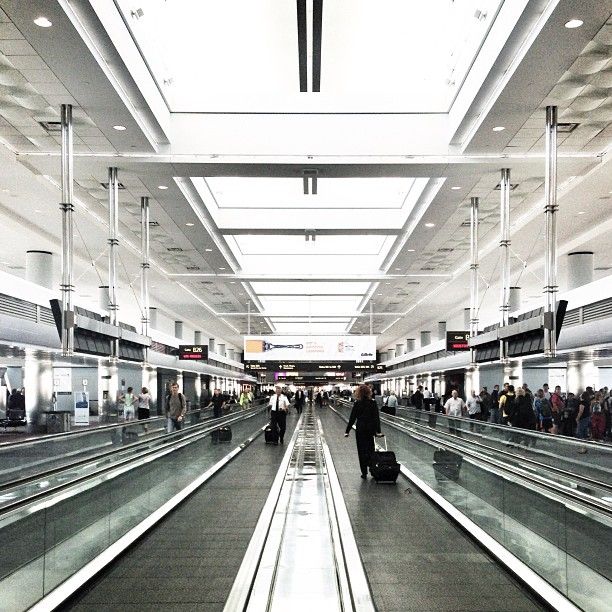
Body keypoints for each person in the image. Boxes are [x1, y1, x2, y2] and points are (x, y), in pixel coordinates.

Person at [344, 384, 384, 479]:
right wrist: (378, 431)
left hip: (360, 429)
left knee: (361, 450)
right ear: (368, 392)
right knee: (370, 449)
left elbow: (352, 418)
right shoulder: (373, 403)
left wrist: (347, 431)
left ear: (359, 393)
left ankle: (364, 472)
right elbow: (376, 418)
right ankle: (372, 469)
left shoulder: (357, 403)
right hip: (370, 429)